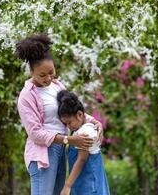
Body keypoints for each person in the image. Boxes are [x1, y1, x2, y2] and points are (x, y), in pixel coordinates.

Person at [16, 34, 103, 195]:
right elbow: (35, 133)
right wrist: (68, 139)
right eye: (42, 75)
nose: (48, 78)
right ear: (31, 71)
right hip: (43, 153)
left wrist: (95, 122)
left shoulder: (57, 86)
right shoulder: (27, 96)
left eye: (51, 72)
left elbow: (71, 110)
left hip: (61, 148)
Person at [57, 90, 110, 195]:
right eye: (65, 124)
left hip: (90, 182)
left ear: (80, 115)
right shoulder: (79, 130)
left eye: (69, 122)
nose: (68, 126)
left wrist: (67, 185)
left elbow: (82, 159)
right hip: (83, 181)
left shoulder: (86, 132)